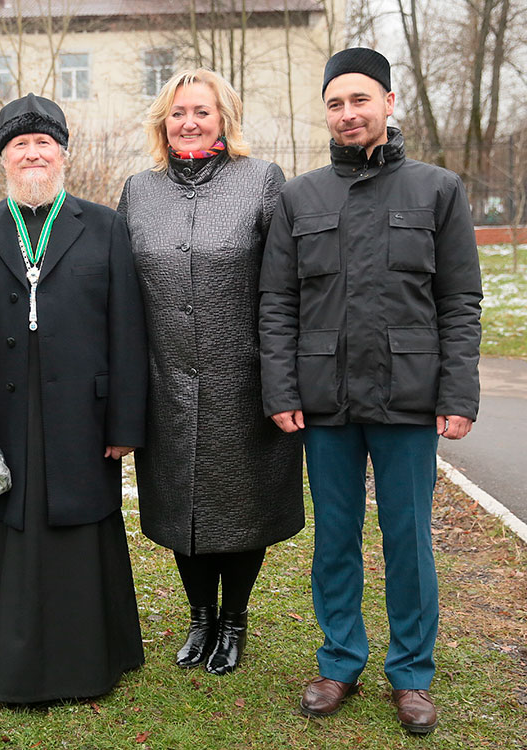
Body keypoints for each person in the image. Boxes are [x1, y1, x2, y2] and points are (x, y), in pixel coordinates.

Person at [259, 48, 482, 734]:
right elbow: (277, 304)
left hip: (408, 397)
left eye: (360, 100)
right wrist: (281, 388)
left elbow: (459, 301)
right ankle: (339, 661)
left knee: (408, 538)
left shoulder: (437, 190)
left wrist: (457, 393)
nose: (347, 114)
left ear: (388, 102)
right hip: (325, 401)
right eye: (335, 103)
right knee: (335, 539)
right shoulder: (299, 198)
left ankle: (411, 673)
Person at [0, 93, 148, 704]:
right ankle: (18, 662)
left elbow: (128, 330)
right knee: (11, 528)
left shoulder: (104, 225)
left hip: (83, 414)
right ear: (3, 158)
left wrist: (125, 423)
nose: (32, 154)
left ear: (63, 154)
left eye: (43, 143)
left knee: (83, 527)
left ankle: (92, 660)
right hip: (5, 413)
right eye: (19, 145)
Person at [117, 69, 304, 676]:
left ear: (224, 117)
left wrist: (282, 376)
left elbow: (284, 285)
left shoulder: (261, 181)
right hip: (166, 381)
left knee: (242, 505)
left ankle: (235, 620)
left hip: (242, 383)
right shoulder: (139, 191)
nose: (189, 122)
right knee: (181, 506)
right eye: (177, 113)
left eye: (201, 111)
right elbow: (121, 289)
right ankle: (200, 616)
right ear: (163, 123)